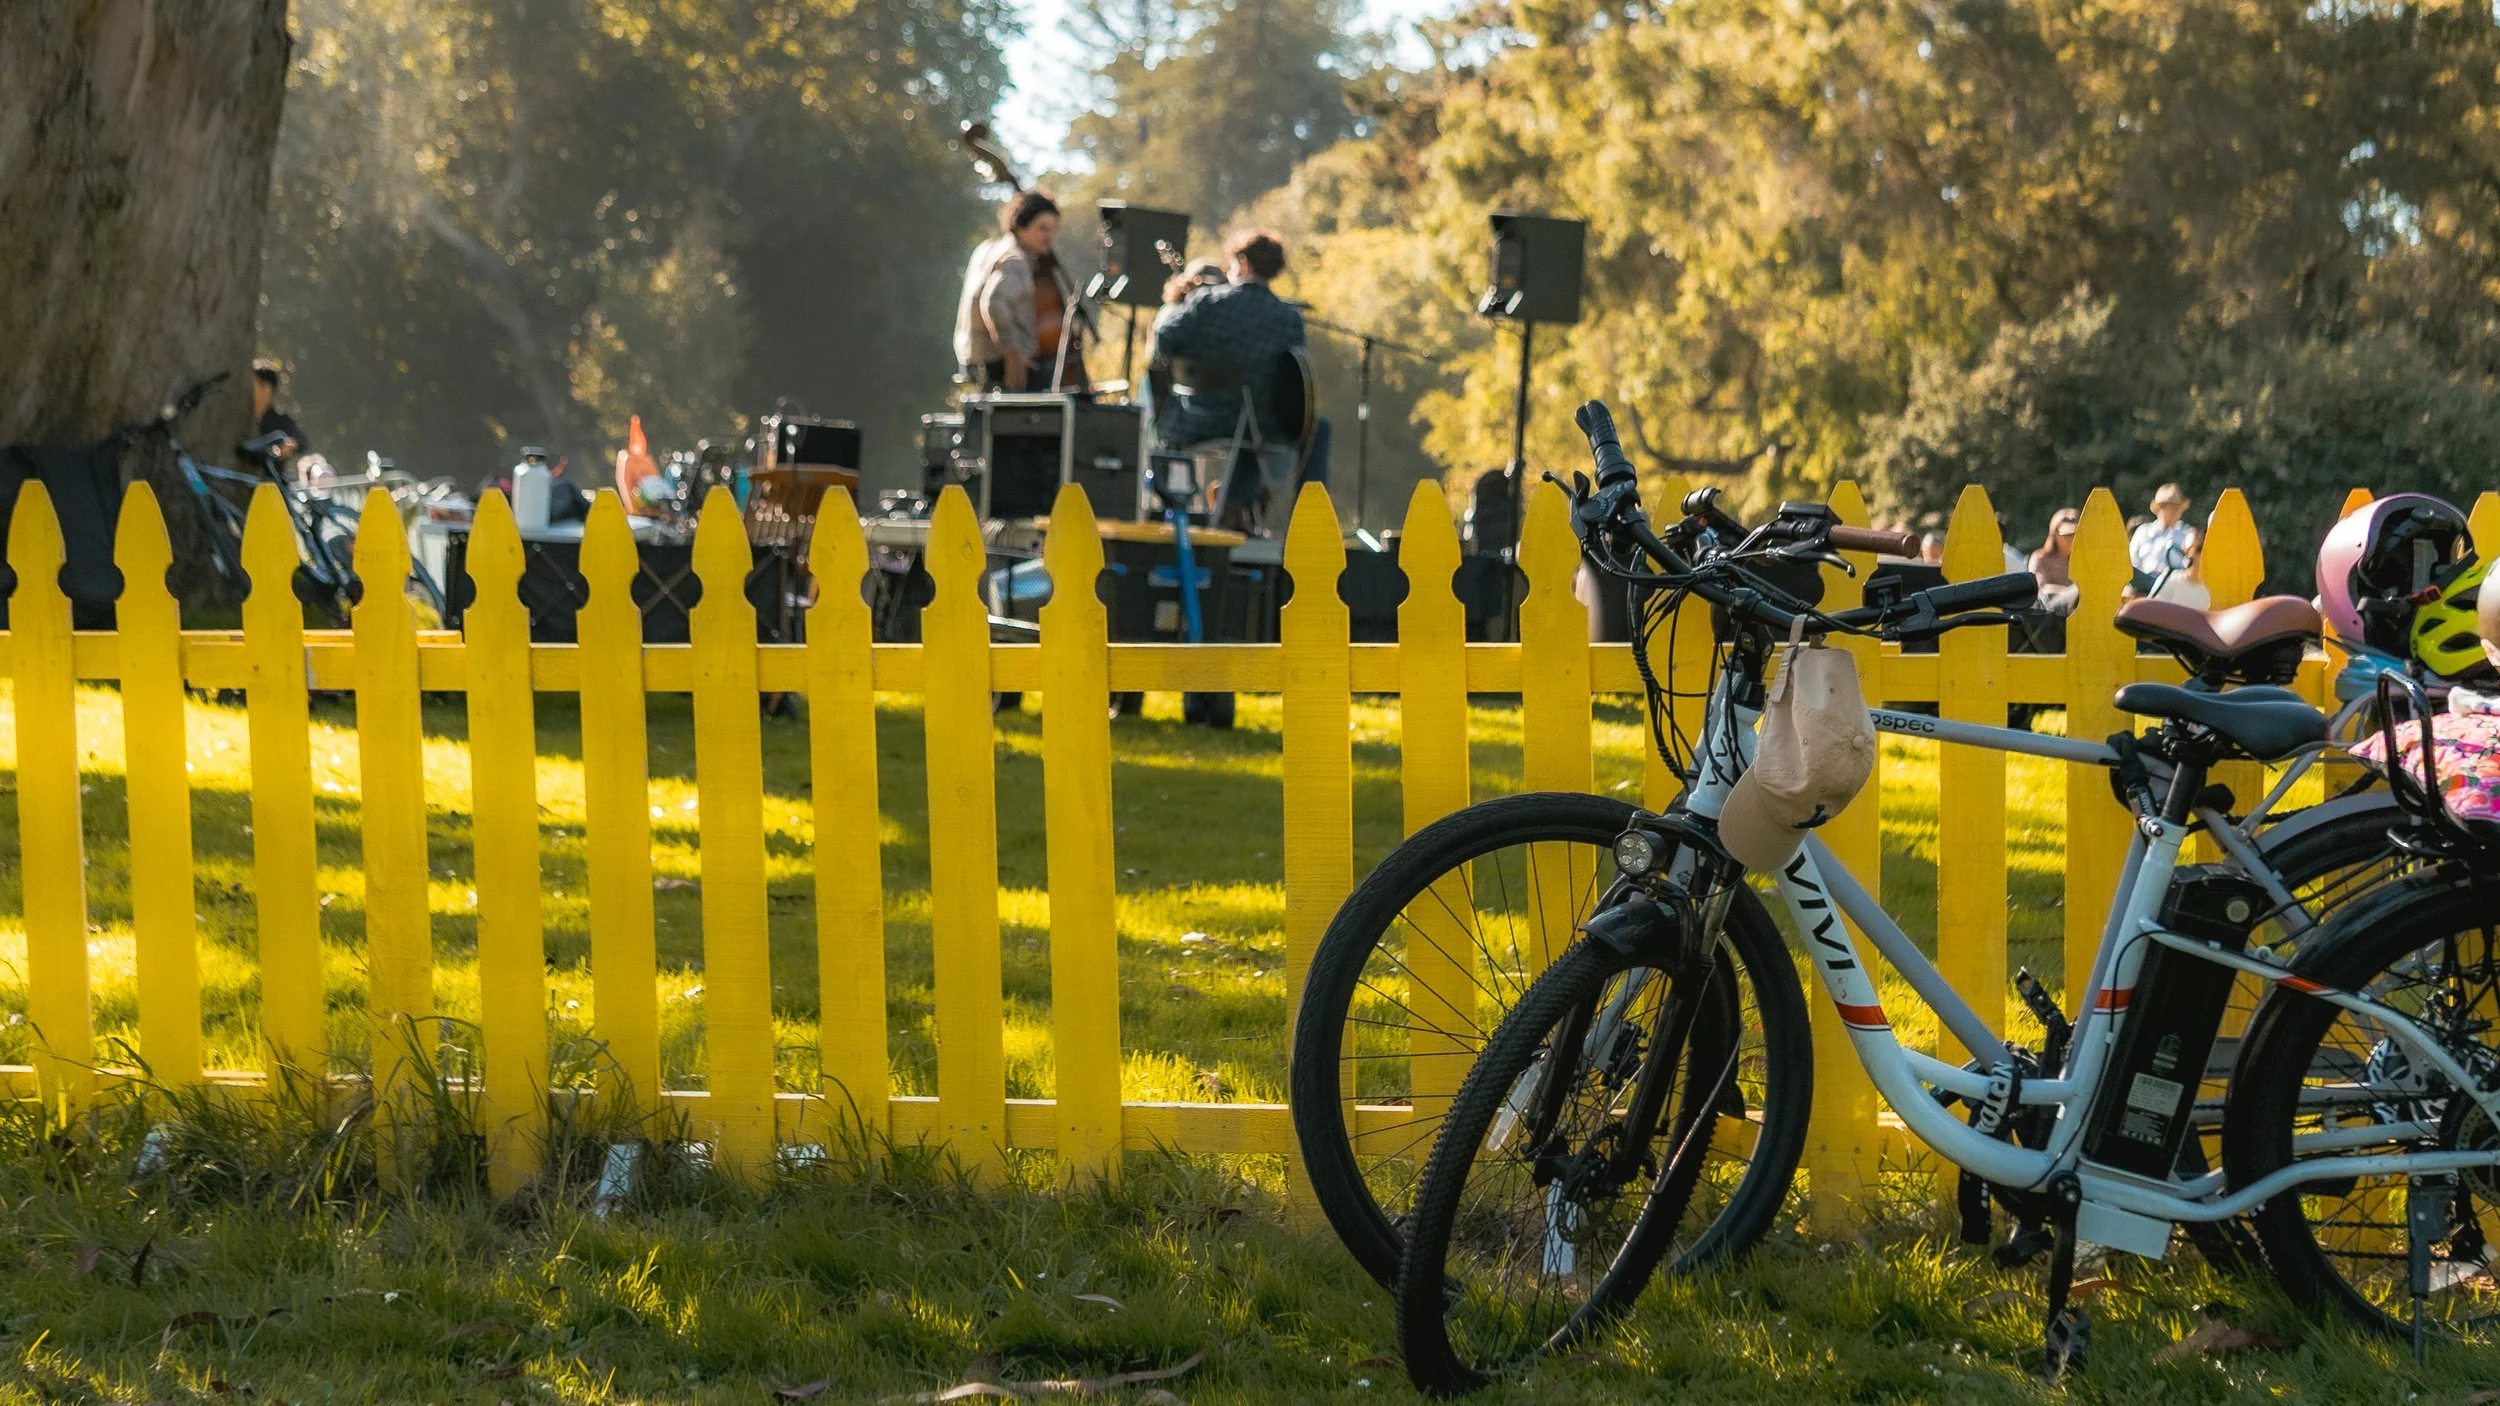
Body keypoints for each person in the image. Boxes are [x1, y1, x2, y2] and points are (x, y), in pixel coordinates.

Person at [1150, 230, 1320, 524]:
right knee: (1296, 427)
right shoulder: (1289, 319)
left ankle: (1220, 511)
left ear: (1242, 263)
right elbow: (1293, 379)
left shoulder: (1207, 302)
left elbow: (1164, 340)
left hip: (1195, 420)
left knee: (1247, 424)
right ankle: (1292, 518)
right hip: (1256, 425)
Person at [952, 190, 1088, 394]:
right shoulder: (1014, 260)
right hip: (997, 363)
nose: (1049, 237)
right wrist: (1013, 353)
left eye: (1053, 230)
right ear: (1021, 225)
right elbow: (994, 303)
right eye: (1042, 228)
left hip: (973, 358)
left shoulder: (989, 248)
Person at [2129, 483, 2195, 580]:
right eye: (2169, 506)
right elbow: (2132, 561)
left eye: (2177, 507)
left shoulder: (2188, 534)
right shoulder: (2143, 531)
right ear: (2159, 509)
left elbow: (2191, 565)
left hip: (2174, 586)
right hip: (2142, 585)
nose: (2175, 511)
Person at [250, 362, 309, 462]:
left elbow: (302, 442)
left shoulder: (280, 420)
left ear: (266, 388)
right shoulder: (241, 415)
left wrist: (291, 445)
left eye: (254, 384)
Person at [2028, 507, 2081, 614]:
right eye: (2066, 535)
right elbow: (2041, 590)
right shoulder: (2040, 558)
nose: (2071, 539)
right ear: (2054, 534)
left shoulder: (2081, 562)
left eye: (2074, 534)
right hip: (2050, 612)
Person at [2148, 524, 2211, 608]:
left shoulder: (2213, 590)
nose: (2191, 555)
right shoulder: (2171, 579)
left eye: (2199, 549)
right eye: (2186, 550)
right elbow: (2151, 609)